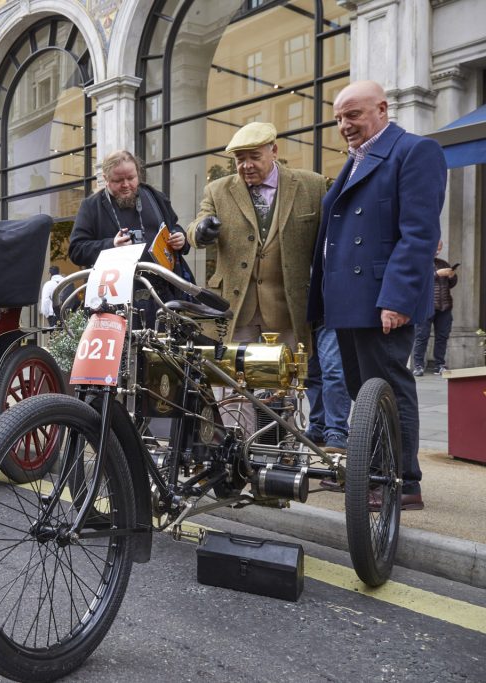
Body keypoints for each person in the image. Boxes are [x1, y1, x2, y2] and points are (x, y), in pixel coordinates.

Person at [308, 80, 447, 512]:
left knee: (388, 386)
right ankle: (373, 471)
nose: (344, 125)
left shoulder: (414, 151)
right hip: (349, 302)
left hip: (382, 301)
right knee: (363, 391)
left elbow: (419, 234)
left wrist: (399, 300)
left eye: (353, 114)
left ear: (382, 109)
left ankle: (405, 482)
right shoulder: (356, 160)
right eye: (337, 118)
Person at [185, 122, 349, 452]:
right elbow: (195, 226)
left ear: (274, 151)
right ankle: (238, 454)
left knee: (283, 384)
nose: (246, 166)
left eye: (253, 157)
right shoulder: (218, 190)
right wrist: (201, 230)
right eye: (239, 159)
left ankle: (282, 454)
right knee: (233, 383)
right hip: (237, 307)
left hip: (288, 307)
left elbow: (338, 229)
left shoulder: (312, 185)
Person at [68, 150, 191, 325]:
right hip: (114, 304)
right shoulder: (91, 206)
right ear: (106, 179)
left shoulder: (155, 197)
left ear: (138, 174)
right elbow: (76, 250)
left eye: (131, 178)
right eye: (118, 181)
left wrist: (181, 238)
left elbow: (174, 227)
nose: (126, 184)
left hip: (162, 297)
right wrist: (111, 245)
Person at [412, 240, 457, 376]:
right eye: (435, 248)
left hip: (444, 307)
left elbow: (451, 284)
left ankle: (439, 365)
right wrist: (437, 274)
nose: (437, 251)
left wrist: (452, 276)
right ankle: (418, 366)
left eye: (439, 248)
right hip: (426, 306)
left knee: (442, 337)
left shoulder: (443, 263)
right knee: (421, 336)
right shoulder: (420, 262)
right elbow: (417, 282)